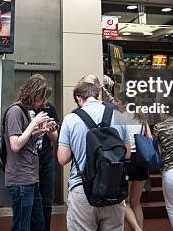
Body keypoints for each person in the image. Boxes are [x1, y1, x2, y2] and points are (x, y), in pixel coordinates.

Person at [57, 79, 130, 231]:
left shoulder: (71, 119)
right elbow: (127, 153)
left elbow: (62, 159)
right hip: (113, 189)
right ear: (98, 94)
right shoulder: (118, 114)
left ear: (79, 98)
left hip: (82, 189)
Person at [4, 74, 57, 231]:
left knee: (38, 224)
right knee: (22, 225)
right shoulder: (15, 111)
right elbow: (15, 144)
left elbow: (24, 138)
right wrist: (34, 123)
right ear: (34, 94)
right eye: (41, 98)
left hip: (30, 178)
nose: (43, 102)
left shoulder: (24, 111)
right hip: (21, 179)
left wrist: (41, 130)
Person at [113, 92, 151, 231]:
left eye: (117, 101)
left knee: (124, 202)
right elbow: (150, 139)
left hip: (127, 160)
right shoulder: (142, 117)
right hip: (141, 160)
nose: (115, 104)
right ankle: (140, 227)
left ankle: (137, 229)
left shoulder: (120, 117)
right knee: (136, 203)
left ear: (123, 103)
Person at [37, 96, 60, 231]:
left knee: (46, 199)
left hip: (46, 158)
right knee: (30, 199)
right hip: (27, 161)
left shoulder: (49, 107)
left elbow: (55, 136)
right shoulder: (22, 108)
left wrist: (50, 131)